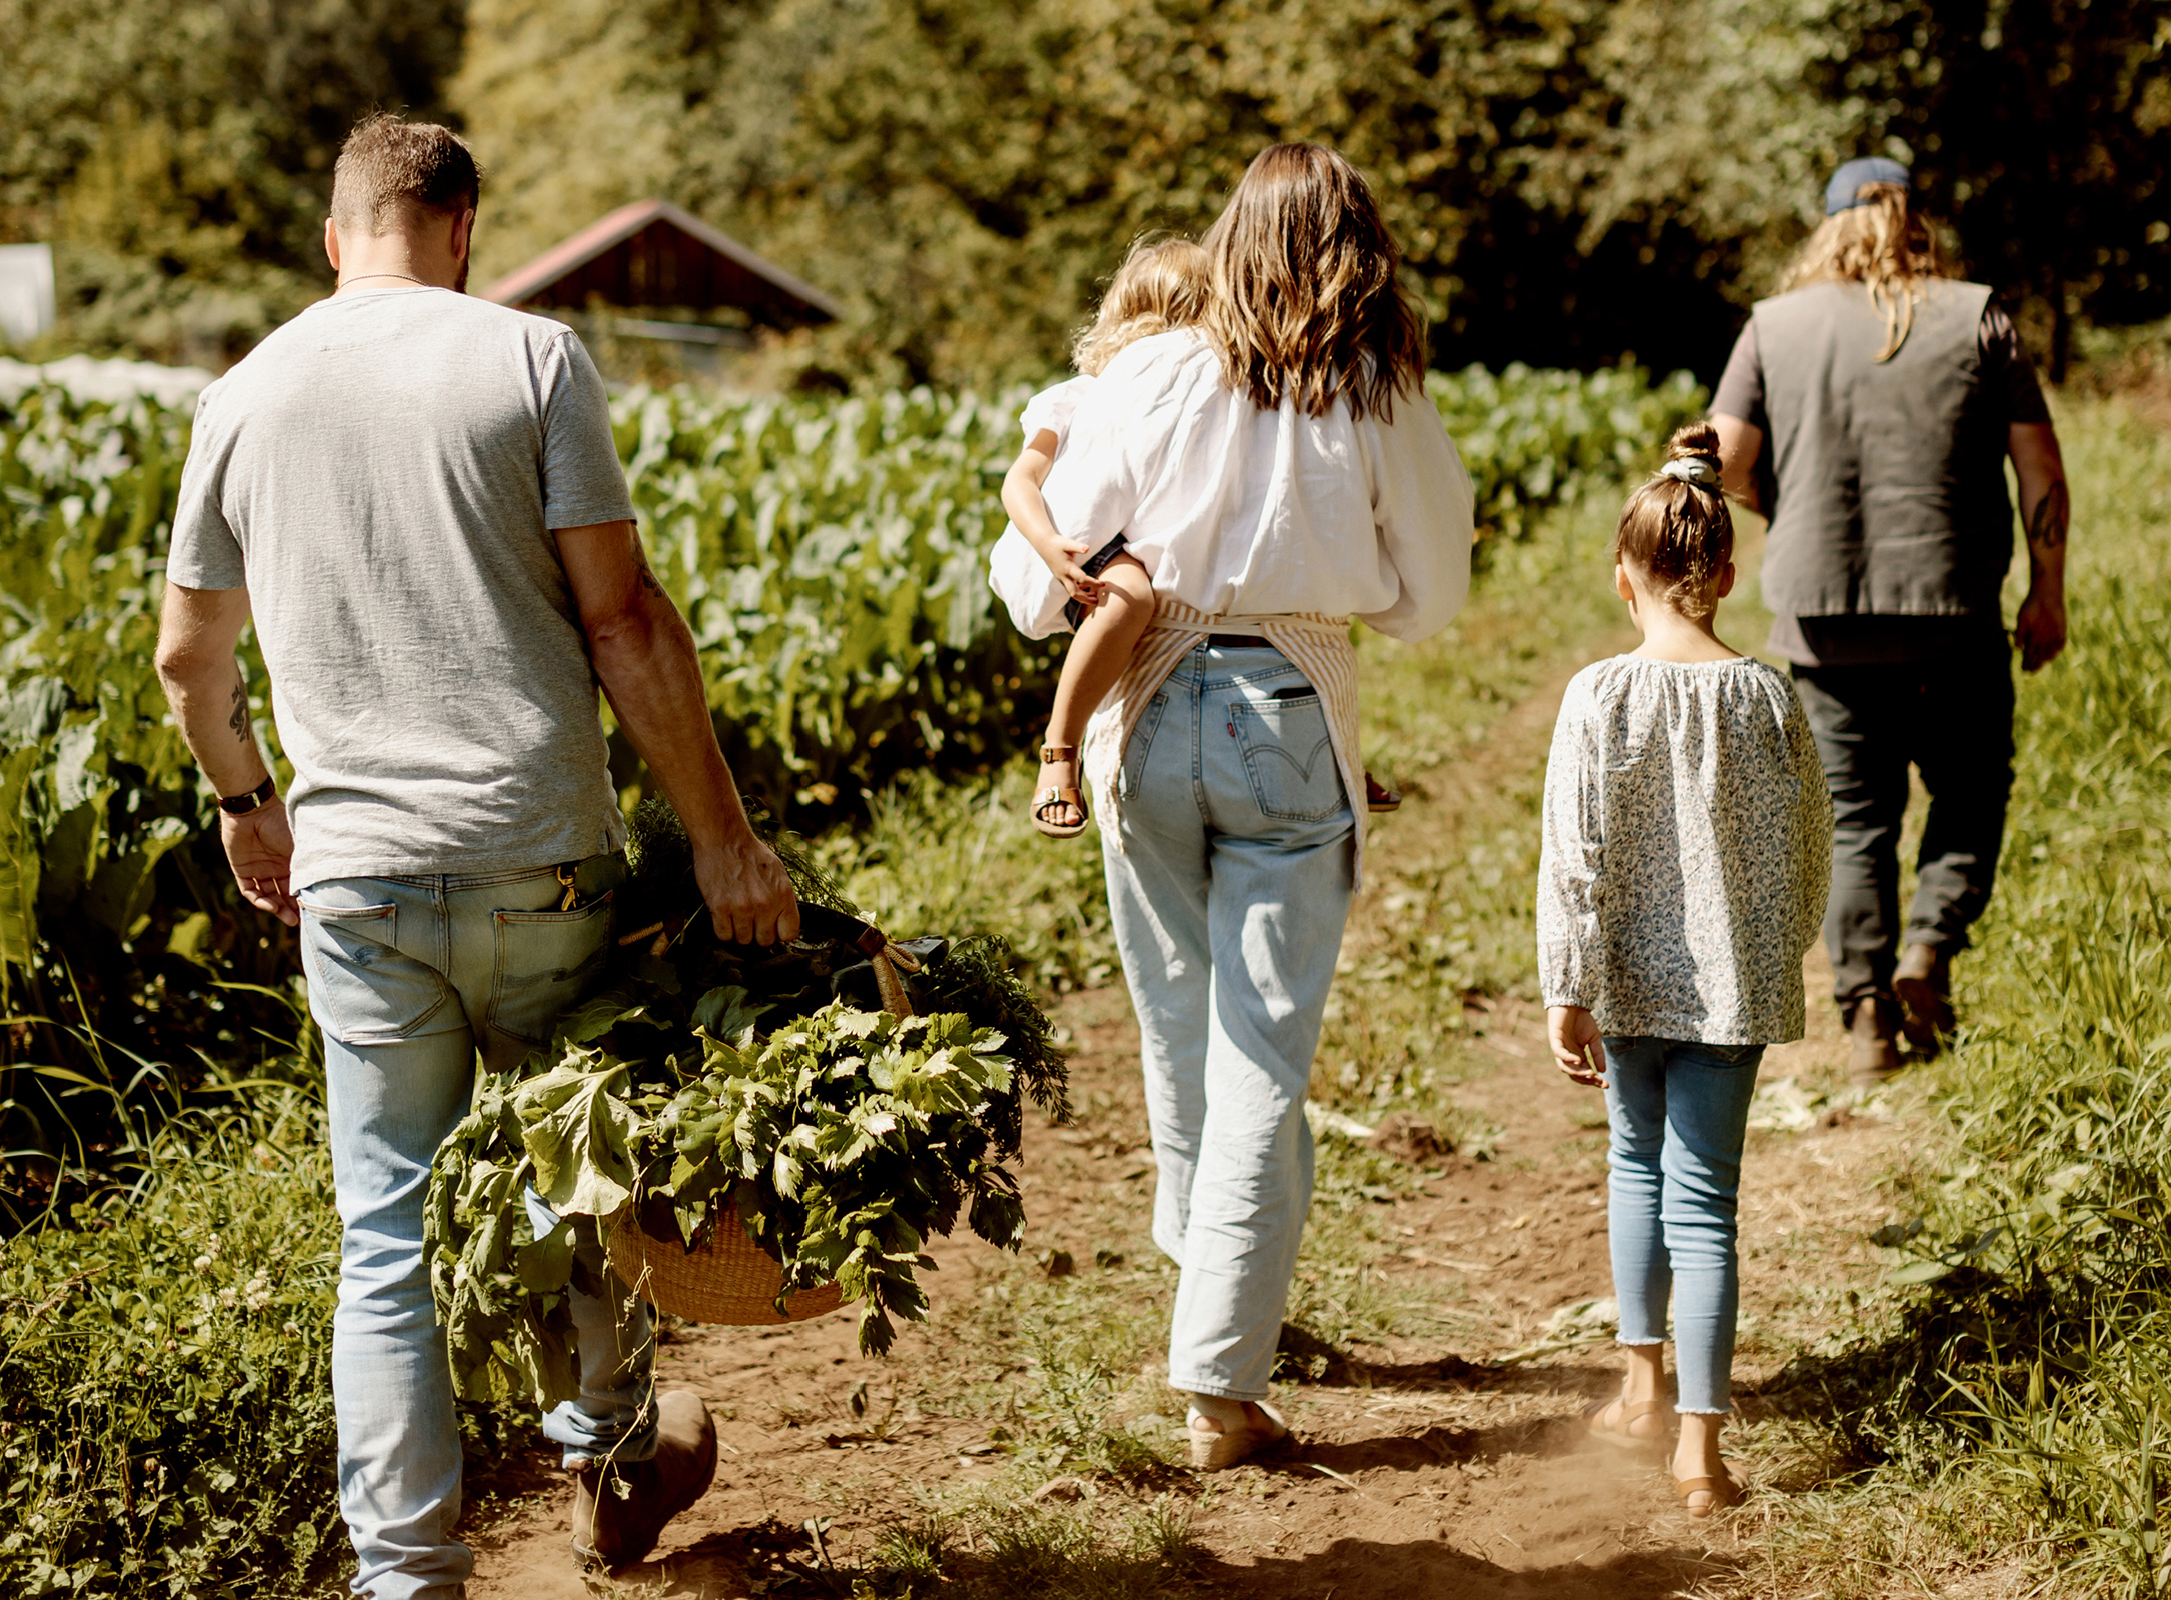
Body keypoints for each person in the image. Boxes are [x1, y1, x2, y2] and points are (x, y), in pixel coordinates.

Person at [153, 114, 799, 1598]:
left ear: (336, 239)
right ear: (459, 229)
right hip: (541, 861)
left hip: (359, 879)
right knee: (587, 1182)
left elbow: (190, 661)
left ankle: (405, 1575)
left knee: (383, 1235)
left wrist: (253, 810)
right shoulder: (528, 359)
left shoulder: (241, 396)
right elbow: (623, 621)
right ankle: (615, 1461)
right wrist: (721, 836)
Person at [992, 143, 1473, 1471]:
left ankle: (1218, 1293)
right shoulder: (1374, 388)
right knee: (1260, 1044)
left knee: (1173, 1020)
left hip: (1140, 712)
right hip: (1285, 708)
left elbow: (1034, 582)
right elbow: (1429, 586)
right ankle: (1218, 1372)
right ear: (1356, 246)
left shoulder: (1144, 370)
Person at [1711, 156, 2070, 1082]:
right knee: (1969, 790)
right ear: (1916, 223)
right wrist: (2046, 588)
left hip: (1824, 621)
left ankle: (1866, 1014)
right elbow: (2040, 470)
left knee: (1853, 818)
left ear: (1826, 227)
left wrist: (1778, 511)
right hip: (1953, 610)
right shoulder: (1979, 313)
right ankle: (1928, 954)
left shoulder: (1772, 327)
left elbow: (1728, 457)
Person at [1538, 423, 1832, 1518]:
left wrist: (1566, 985)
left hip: (1623, 981)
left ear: (1623, 576)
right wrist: (1776, 945)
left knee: (1633, 1162)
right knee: (1705, 1200)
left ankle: (1636, 1386)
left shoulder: (1596, 695)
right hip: (1730, 986)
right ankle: (1701, 1454)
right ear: (1723, 570)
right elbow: (1811, 843)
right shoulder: (1765, 696)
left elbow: (1575, 855)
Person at [993, 238, 1404, 839]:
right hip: (1095, 542)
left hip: (1167, 546)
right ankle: (1059, 748)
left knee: (1288, 571)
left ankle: (1335, 753)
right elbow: (1021, 480)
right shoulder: (1079, 396)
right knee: (1128, 596)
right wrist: (1048, 542)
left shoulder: (1223, 391)